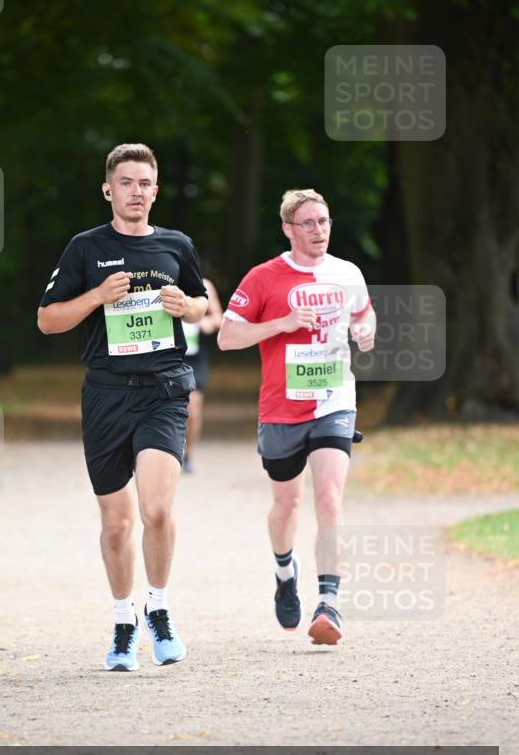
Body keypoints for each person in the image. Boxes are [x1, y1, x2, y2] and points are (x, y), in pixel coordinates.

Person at [37, 143, 208, 671]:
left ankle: (158, 609)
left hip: (163, 390)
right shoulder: (85, 249)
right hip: (108, 394)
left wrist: (188, 305)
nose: (136, 191)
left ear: (156, 191)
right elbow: (47, 320)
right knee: (116, 523)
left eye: (145, 183)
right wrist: (95, 297)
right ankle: (121, 621)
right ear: (109, 190)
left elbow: (203, 305)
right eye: (126, 182)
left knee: (156, 509)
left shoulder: (176, 245)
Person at [218, 188, 375, 646]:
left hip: (334, 402)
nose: (318, 230)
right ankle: (285, 570)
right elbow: (228, 337)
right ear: (288, 229)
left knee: (329, 499)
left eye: (323, 221)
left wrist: (365, 332)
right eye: (307, 223)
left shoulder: (347, 273)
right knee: (287, 505)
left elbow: (365, 317)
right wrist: (281, 324)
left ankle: (329, 603)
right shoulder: (264, 278)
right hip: (281, 408)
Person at [182, 276, 223, 472]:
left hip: (194, 357)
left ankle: (187, 455)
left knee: (193, 408)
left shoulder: (204, 284)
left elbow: (218, 317)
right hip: (166, 354)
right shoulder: (158, 280)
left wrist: (208, 322)